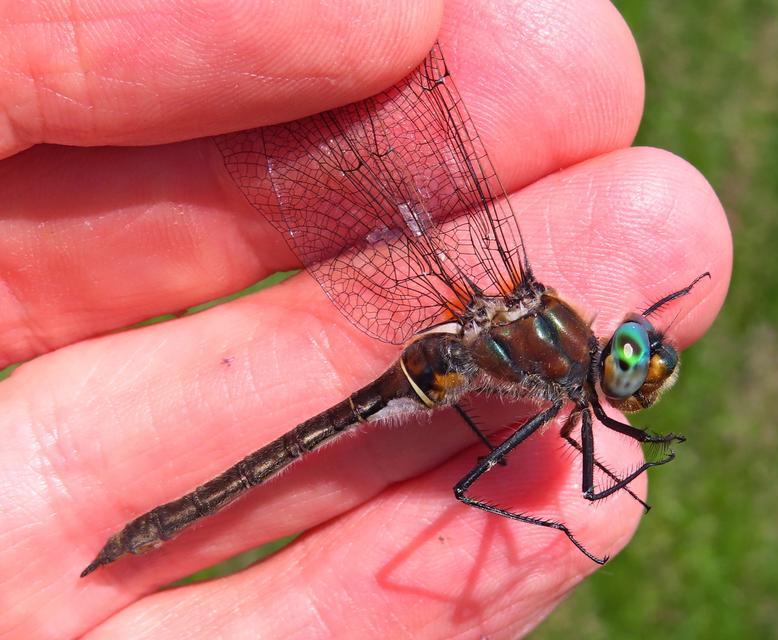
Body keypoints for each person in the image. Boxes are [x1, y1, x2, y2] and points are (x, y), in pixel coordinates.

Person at [0, 0, 731, 637]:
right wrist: (569, 513)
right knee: (496, 481)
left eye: (635, 359)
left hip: (455, 357)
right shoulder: (569, 374)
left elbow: (592, 459)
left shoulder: (564, 367)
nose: (631, 362)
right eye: (633, 360)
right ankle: (148, 531)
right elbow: (552, 479)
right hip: (432, 366)